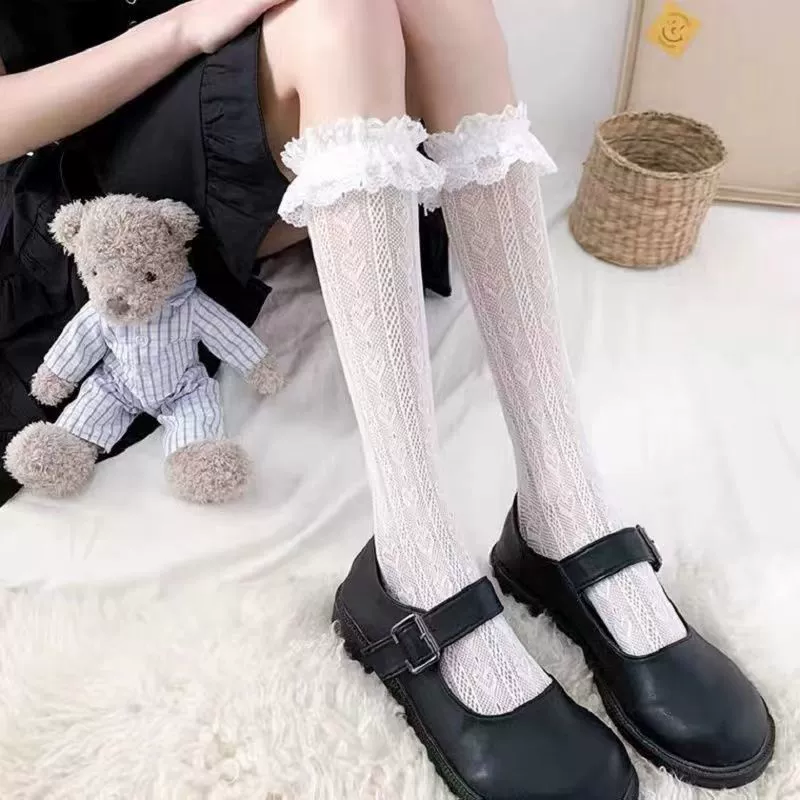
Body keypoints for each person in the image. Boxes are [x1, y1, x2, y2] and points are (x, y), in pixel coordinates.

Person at [0, 1, 773, 797]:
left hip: (273, 113)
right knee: (342, 17)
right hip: (100, 182)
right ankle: (414, 557)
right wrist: (182, 27)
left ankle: (563, 506)